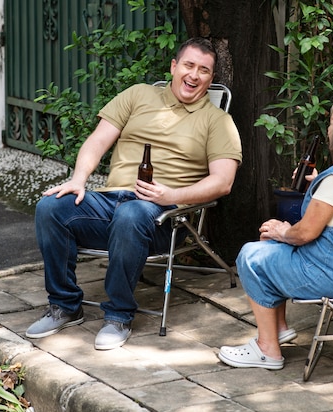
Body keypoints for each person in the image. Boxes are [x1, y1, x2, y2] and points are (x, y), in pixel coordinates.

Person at [26, 37, 243, 350]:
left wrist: (171, 195)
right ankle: (65, 306)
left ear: (211, 79)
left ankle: (118, 315)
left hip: (162, 219)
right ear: (174, 66)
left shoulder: (218, 121)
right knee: (51, 206)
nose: (194, 75)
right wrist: (78, 179)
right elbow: (98, 140)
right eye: (189, 65)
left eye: (204, 71)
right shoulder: (139, 94)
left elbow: (223, 182)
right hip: (110, 203)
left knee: (132, 213)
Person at [218, 90, 333, 370]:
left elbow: (304, 234)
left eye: (332, 121)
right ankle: (278, 328)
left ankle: (268, 350)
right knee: (269, 248)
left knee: (252, 255)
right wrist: (319, 182)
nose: (328, 128)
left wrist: (282, 230)